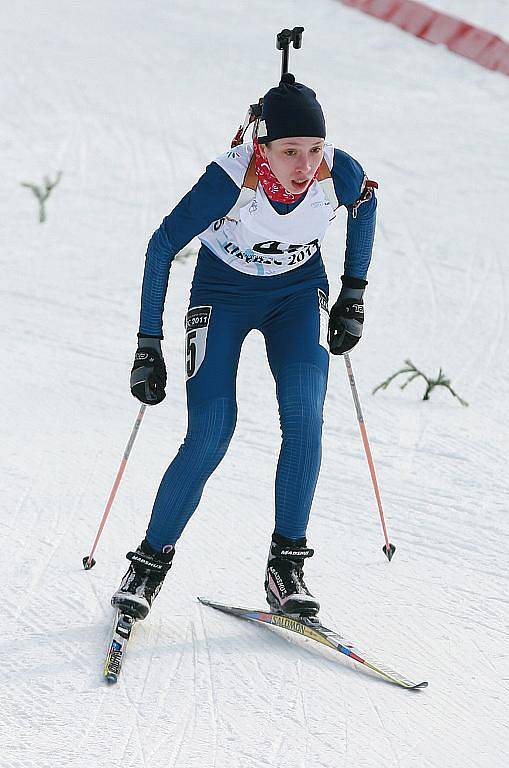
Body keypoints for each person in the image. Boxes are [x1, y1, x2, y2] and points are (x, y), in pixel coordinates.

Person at [111, 73, 377, 620]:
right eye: (289, 151)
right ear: (263, 148)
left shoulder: (337, 171)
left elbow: (367, 206)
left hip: (296, 296)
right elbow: (161, 247)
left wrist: (352, 293)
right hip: (223, 294)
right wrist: (147, 343)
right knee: (211, 432)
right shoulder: (228, 180)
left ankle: (285, 567)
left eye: (314, 150)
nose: (305, 167)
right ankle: (148, 564)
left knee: (305, 419)